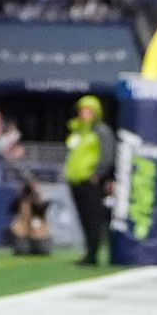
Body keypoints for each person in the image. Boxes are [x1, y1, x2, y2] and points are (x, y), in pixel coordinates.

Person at [62, 92, 111, 267]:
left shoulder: (101, 131)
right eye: (82, 110)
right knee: (84, 218)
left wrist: (98, 174)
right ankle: (89, 251)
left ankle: (93, 253)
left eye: (88, 110)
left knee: (93, 218)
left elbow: (107, 154)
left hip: (91, 182)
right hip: (76, 180)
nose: (83, 113)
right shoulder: (78, 131)